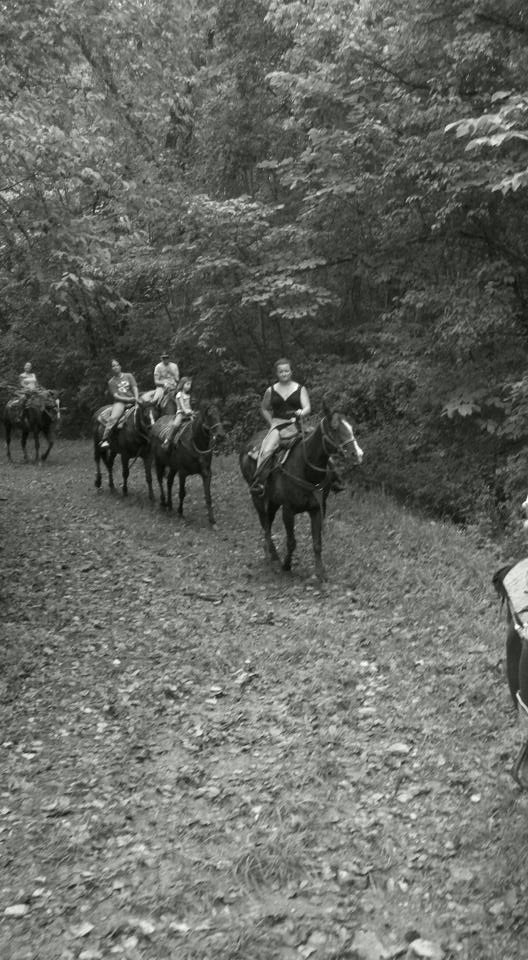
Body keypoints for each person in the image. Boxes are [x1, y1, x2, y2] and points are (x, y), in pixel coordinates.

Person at [250, 359, 311, 495]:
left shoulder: (300, 389)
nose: (284, 374)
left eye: (286, 371)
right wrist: (271, 422)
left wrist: (302, 412)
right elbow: (264, 408)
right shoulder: (270, 390)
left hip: (296, 424)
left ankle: (332, 480)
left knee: (318, 442)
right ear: (277, 374)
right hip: (278, 426)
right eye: (281, 371)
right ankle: (259, 483)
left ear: (291, 372)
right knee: (266, 451)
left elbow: (307, 407)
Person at [99, 359, 139, 448]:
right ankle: (105, 439)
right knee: (113, 418)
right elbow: (116, 396)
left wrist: (136, 398)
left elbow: (134, 387)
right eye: (113, 366)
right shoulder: (111, 382)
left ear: (120, 366)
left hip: (133, 399)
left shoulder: (129, 376)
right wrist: (128, 399)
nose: (115, 367)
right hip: (120, 402)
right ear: (111, 369)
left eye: (117, 365)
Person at [162, 376, 193, 449]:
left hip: (188, 414)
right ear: (182, 385)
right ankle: (167, 440)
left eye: (190, 384)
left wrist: (191, 411)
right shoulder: (179, 394)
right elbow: (182, 406)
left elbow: (189, 406)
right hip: (181, 414)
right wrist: (186, 411)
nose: (189, 386)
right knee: (175, 425)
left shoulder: (188, 395)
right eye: (187, 384)